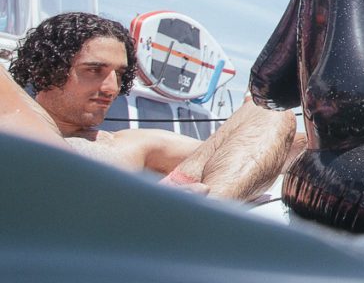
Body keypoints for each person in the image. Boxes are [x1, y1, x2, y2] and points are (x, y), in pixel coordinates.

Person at [0, 11, 296, 200]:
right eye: (94, 70)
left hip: (156, 230)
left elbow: (254, 153)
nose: (111, 88)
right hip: (83, 237)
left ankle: (203, 219)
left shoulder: (131, 144)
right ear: (45, 70)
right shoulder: (15, 123)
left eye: (118, 74)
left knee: (268, 110)